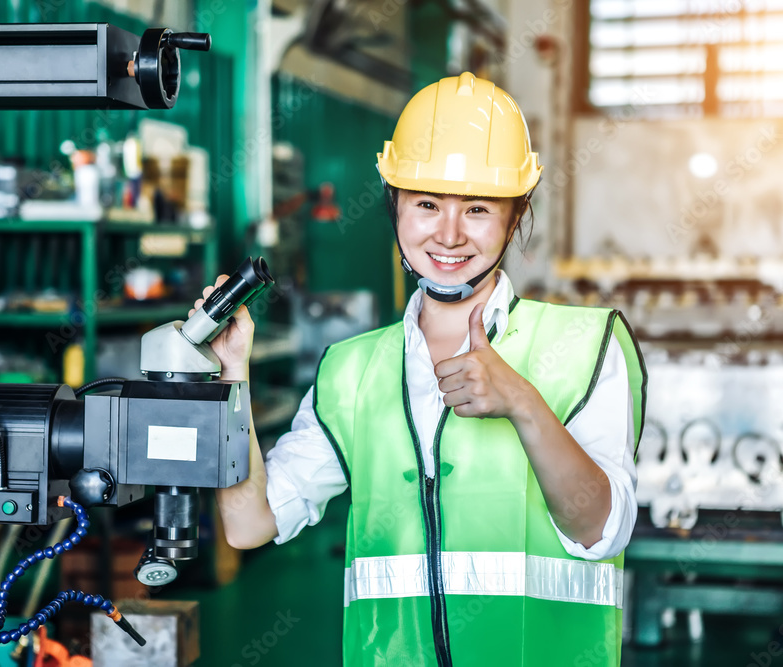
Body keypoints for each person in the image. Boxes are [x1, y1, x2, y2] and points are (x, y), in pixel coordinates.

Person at [193, 72, 647, 666]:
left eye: (478, 208)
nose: (450, 234)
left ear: (516, 216)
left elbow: (601, 531)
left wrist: (524, 403)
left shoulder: (586, 346)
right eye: (427, 205)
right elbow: (250, 523)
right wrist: (233, 376)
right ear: (395, 205)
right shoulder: (351, 371)